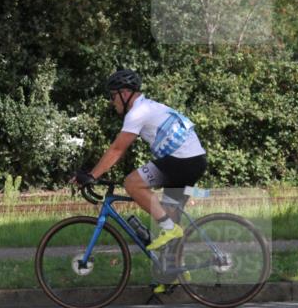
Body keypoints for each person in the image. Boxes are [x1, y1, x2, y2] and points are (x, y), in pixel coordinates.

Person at [73, 69, 208, 251]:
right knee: (169, 218)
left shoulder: (137, 112)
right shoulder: (148, 106)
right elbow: (119, 151)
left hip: (182, 160)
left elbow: (117, 149)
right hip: (193, 160)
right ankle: (173, 278)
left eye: (113, 96)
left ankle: (170, 229)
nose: (111, 101)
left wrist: (92, 175)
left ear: (125, 93)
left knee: (132, 183)